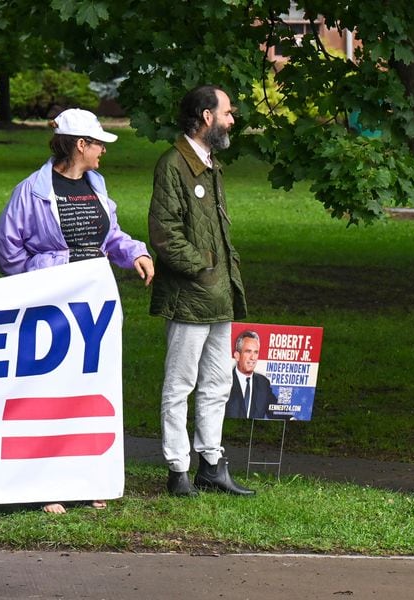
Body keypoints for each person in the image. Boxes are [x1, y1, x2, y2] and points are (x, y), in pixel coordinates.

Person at [0, 108, 154, 513]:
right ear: (80, 145)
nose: (103, 151)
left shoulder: (96, 183)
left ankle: (89, 478)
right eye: (98, 143)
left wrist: (135, 252)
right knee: (50, 392)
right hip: (52, 308)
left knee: (92, 390)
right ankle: (47, 484)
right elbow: (6, 249)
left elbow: (111, 234)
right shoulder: (32, 190)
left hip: (93, 304)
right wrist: (41, 279)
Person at [148, 85, 255, 497]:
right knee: (179, 384)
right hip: (191, 295)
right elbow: (164, 233)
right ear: (207, 117)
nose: (233, 119)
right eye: (227, 112)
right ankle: (178, 470)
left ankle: (211, 465)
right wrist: (204, 269)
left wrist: (218, 276)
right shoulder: (174, 164)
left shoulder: (210, 164)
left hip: (219, 295)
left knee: (217, 383)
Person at [225, 330, 278, 419]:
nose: (253, 357)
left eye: (256, 352)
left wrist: (291, 419)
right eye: (248, 351)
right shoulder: (224, 380)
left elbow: (275, 408)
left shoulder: (263, 383)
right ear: (237, 356)